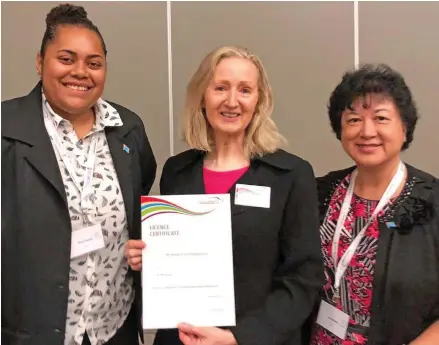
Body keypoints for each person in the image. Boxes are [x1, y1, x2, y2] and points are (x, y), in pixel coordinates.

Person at [125, 46, 324, 345]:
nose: (232, 101)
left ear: (259, 101)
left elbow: (303, 279)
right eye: (220, 88)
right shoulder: (177, 171)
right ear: (203, 96)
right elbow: (174, 264)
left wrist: (238, 338)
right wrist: (144, 260)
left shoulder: (290, 175)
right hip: (181, 339)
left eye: (245, 90)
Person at [1, 4, 156, 345]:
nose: (81, 72)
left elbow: (139, 193)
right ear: (40, 62)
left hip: (114, 327)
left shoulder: (127, 129)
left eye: (94, 63)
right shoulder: (6, 129)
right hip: (35, 333)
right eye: (67, 59)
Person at [309, 64, 439, 345]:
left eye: (381, 118)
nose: (367, 131)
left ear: (405, 127)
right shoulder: (318, 193)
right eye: (354, 120)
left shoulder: (433, 201)